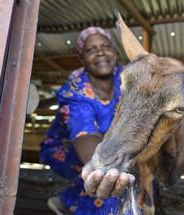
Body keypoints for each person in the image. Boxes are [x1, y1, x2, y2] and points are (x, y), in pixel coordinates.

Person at [39, 26, 124, 214]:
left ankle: (64, 201)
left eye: (106, 46)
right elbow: (89, 148)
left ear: (115, 52)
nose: (100, 52)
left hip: (107, 144)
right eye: (91, 50)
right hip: (65, 148)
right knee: (104, 181)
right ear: (82, 59)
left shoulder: (126, 78)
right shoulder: (74, 92)